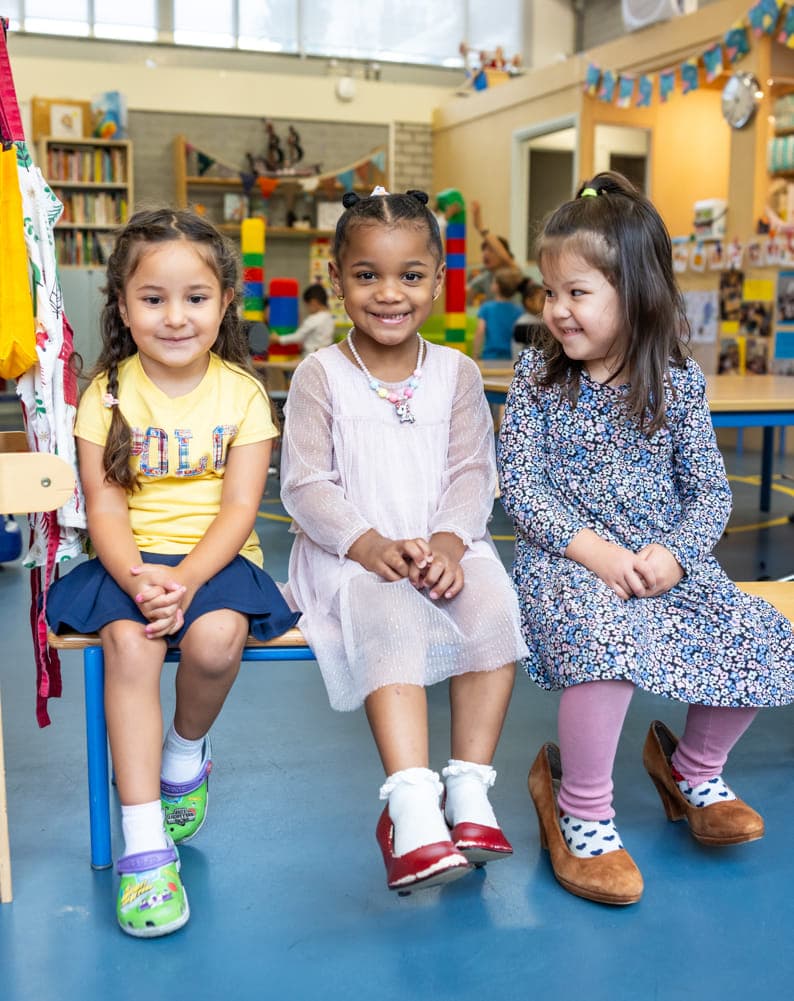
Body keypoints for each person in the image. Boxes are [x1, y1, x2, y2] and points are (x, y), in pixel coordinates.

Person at [497, 172, 794, 907]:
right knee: (603, 640)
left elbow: (710, 493)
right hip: (565, 558)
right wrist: (596, 552)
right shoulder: (537, 375)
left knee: (758, 631)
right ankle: (582, 811)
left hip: (660, 561)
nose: (556, 309)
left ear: (636, 292)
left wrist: (676, 555)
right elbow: (521, 488)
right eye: (550, 291)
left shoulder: (676, 380)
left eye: (577, 292)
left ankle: (692, 768)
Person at [45, 208, 300, 937]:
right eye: (153, 298)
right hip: (128, 561)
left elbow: (242, 508)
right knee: (130, 647)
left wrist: (185, 578)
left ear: (224, 303)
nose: (176, 316)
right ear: (123, 307)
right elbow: (104, 505)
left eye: (195, 297)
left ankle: (185, 754)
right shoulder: (107, 394)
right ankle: (144, 844)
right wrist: (138, 579)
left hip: (214, 561)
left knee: (217, 642)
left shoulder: (242, 394)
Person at [280, 188, 528, 894]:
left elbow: (474, 470)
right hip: (351, 556)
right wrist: (367, 544)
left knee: (493, 603)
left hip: (447, 543)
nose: (389, 293)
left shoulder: (458, 372)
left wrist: (448, 543)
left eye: (410, 275)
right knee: (388, 608)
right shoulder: (320, 375)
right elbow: (305, 484)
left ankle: (469, 792)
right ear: (337, 279)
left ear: (438, 279)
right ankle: (412, 806)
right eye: (368, 275)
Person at [472, 267, 524, 361]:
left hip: (490, 357)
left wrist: (475, 355)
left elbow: (480, 330)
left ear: (497, 287)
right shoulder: (519, 310)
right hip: (511, 358)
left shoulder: (486, 308)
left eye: (493, 281)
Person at [272, 282, 335, 357]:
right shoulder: (329, 317)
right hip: (325, 355)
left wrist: (279, 339)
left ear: (313, 302)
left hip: (311, 355)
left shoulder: (315, 318)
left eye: (307, 305)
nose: (307, 309)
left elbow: (298, 336)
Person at [511, 279, 546, 360]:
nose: (546, 303)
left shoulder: (544, 320)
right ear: (529, 302)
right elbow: (517, 348)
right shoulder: (523, 323)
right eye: (542, 300)